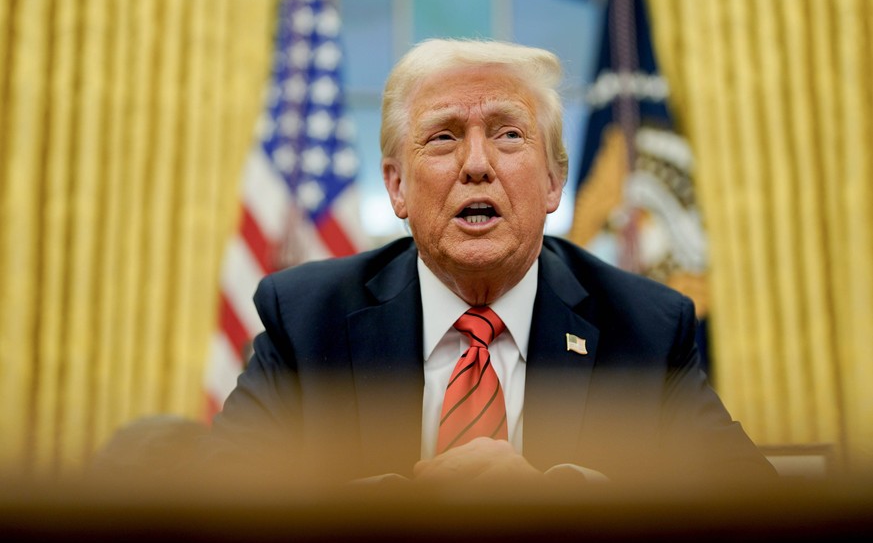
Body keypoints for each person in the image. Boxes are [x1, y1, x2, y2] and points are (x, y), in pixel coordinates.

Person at [199, 38, 777, 491]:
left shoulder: (645, 327)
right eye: (444, 137)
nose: (476, 164)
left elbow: (753, 510)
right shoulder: (306, 320)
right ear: (396, 187)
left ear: (554, 182)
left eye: (507, 134)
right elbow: (213, 503)